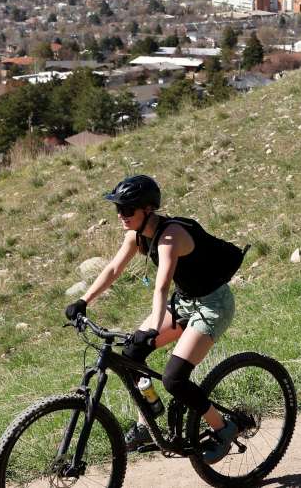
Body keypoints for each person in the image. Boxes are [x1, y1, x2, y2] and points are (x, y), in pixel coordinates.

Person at [64, 174, 243, 463]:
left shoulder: (171, 237)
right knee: (132, 352)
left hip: (213, 306)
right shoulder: (136, 235)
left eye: (127, 210)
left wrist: (153, 325)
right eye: (118, 209)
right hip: (185, 302)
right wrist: (83, 300)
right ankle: (147, 421)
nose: (121, 215)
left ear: (147, 210)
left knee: (174, 378)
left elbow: (161, 286)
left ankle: (224, 427)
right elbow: (112, 269)